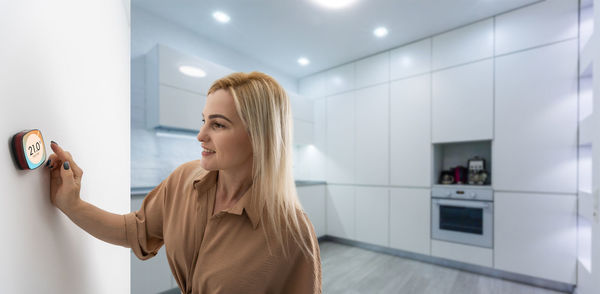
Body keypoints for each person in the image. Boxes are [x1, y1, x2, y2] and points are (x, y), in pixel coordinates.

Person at [46, 72, 322, 293]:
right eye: (203, 121)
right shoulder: (183, 179)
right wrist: (71, 204)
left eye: (218, 124)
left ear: (258, 136)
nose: (200, 135)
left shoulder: (292, 230)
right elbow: (132, 231)